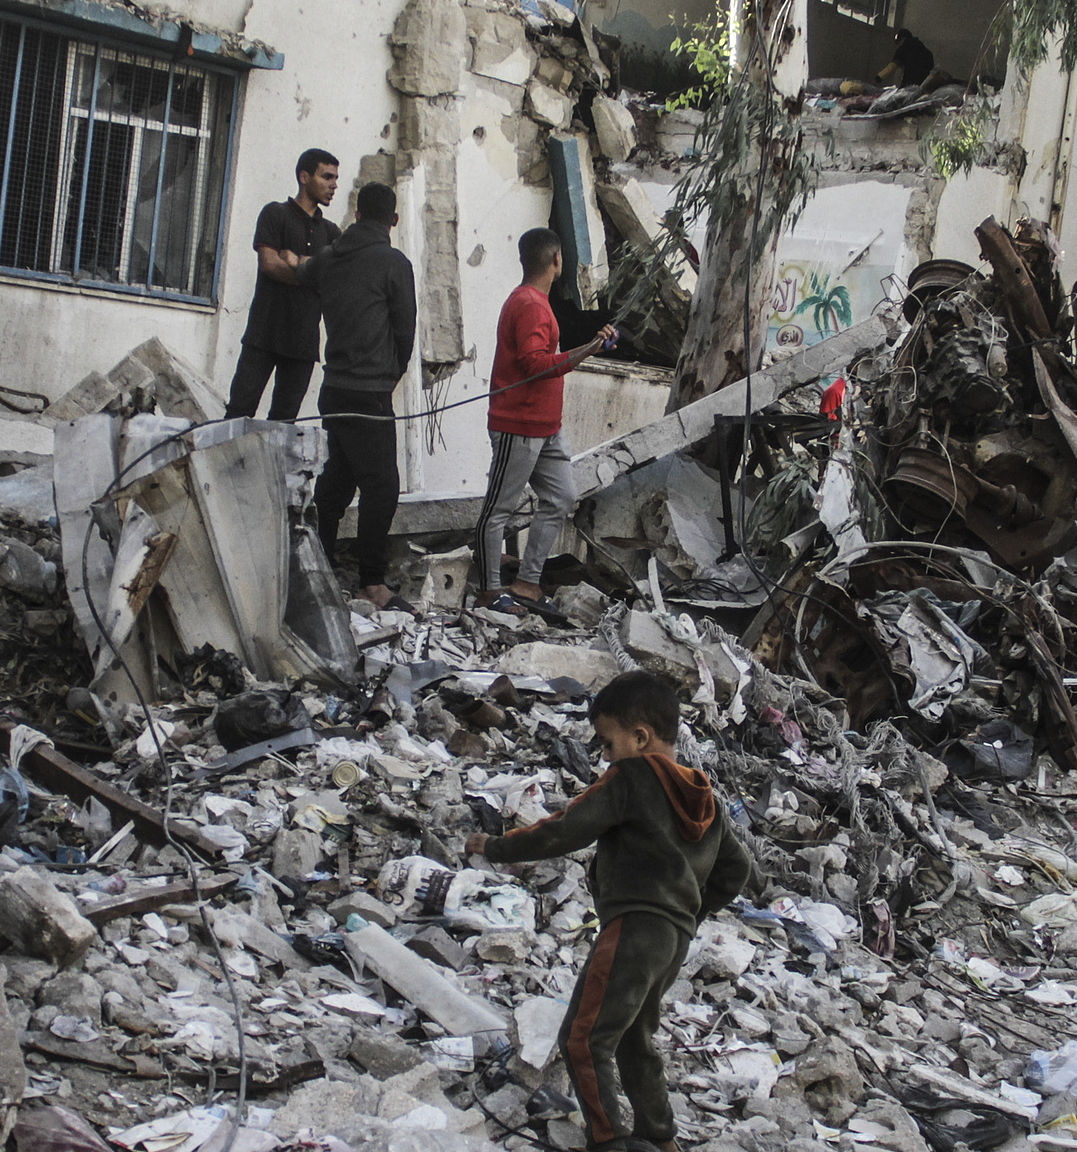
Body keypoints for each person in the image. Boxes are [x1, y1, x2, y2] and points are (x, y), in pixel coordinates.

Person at [466, 671, 752, 1152]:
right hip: (673, 940)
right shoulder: (709, 802)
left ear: (640, 738)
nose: (602, 755)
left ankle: (608, 1141)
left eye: (607, 742)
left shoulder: (632, 777)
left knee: (584, 1038)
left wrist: (495, 846)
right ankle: (660, 1139)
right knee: (633, 1039)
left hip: (634, 927)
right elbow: (736, 871)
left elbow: (565, 829)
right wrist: (689, 914)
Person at [472, 228, 615, 616]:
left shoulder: (536, 302)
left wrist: (588, 346)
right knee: (498, 509)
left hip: (546, 426)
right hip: (517, 424)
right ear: (556, 260)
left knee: (561, 496)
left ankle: (527, 582)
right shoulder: (530, 304)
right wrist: (584, 351)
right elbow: (534, 364)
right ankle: (489, 591)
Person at [300, 182, 416, 610]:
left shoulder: (329, 259)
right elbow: (405, 331)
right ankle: (372, 581)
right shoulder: (393, 262)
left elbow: (301, 273)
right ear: (394, 220)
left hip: (334, 389)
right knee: (382, 487)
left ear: (356, 213)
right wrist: (392, 375)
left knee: (339, 479)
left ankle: (319, 560)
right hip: (370, 392)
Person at [224, 148, 341, 421]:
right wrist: (311, 273)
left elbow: (335, 281)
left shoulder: (331, 232)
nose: (334, 185)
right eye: (326, 177)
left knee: (283, 425)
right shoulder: (275, 214)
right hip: (264, 334)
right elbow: (269, 265)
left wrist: (297, 261)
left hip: (302, 343)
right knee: (238, 414)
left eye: (335, 178)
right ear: (304, 176)